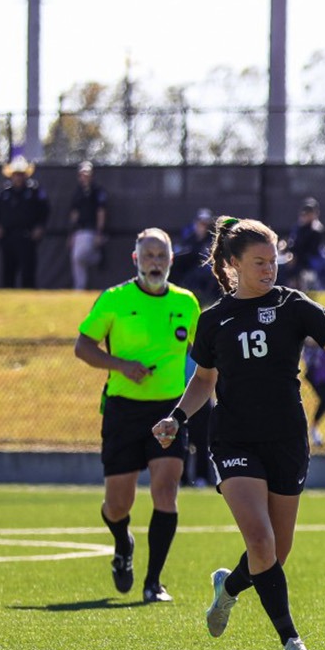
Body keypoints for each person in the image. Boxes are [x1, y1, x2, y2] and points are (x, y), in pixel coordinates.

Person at [151, 216, 325, 650]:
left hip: (287, 437)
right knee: (259, 539)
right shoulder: (214, 320)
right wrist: (176, 416)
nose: (268, 269)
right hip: (234, 437)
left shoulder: (295, 306)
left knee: (275, 552)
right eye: (258, 262)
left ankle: (228, 589)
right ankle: (293, 642)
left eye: (273, 261)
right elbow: (203, 381)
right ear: (233, 264)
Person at [74, 228, 201, 603]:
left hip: (170, 411)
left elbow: (208, 353)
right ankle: (122, 543)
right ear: (135, 259)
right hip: (123, 410)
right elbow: (83, 346)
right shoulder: (114, 299)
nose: (155, 263)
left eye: (162, 256)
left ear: (172, 260)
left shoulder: (187, 302)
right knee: (118, 505)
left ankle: (153, 582)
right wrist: (121, 365)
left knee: (166, 488)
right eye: (148, 255)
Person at [0, 155, 49, 289]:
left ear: (26, 175)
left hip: (27, 236)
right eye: (16, 174)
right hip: (8, 236)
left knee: (28, 271)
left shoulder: (34, 192)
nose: (18, 177)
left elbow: (45, 211)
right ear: (11, 175)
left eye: (21, 174)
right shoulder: (4, 193)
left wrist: (40, 227)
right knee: (8, 271)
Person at [67, 161, 109, 292]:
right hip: (79, 231)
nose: (84, 177)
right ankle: (79, 288)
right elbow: (74, 214)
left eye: (87, 174)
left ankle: (97, 257)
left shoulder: (97, 191)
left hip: (91, 231)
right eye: (82, 174)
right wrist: (71, 233)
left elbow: (101, 212)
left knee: (79, 256)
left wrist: (99, 233)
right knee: (75, 259)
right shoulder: (77, 193)